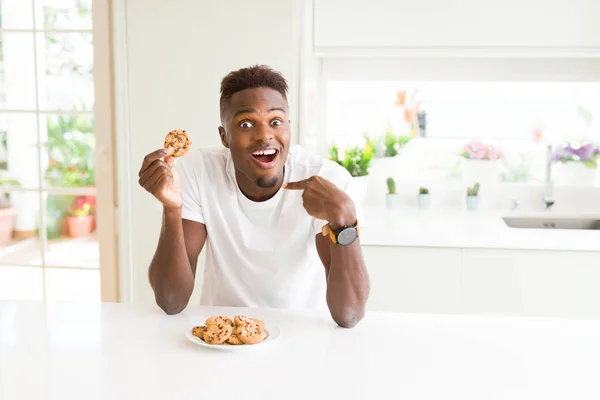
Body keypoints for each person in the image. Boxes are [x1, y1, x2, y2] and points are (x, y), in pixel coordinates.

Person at [137, 65, 369, 328]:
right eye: (246, 124)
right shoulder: (197, 171)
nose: (264, 135)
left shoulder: (328, 180)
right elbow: (171, 301)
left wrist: (346, 223)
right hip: (224, 335)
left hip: (302, 333)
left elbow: (349, 315)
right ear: (224, 136)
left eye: (276, 122)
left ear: (289, 128)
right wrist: (172, 209)